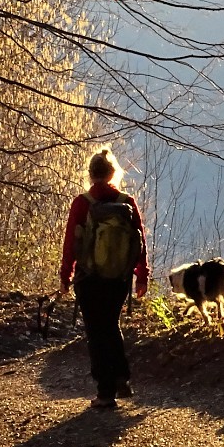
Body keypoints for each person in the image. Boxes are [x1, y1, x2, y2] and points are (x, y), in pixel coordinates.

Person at [59, 146, 149, 409]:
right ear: (113, 173)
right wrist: (141, 276)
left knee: (96, 332)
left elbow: (70, 244)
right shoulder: (126, 202)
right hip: (119, 279)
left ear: (90, 174)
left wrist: (66, 276)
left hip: (89, 278)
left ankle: (105, 392)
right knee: (110, 325)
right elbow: (139, 241)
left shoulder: (82, 202)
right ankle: (121, 377)